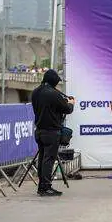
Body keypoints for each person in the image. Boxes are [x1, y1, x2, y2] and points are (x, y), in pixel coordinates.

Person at [31, 69, 75, 197]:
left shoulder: (36, 92)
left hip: (39, 130)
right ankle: (46, 187)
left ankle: (41, 186)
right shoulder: (53, 94)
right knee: (48, 160)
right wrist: (71, 103)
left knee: (42, 159)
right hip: (51, 132)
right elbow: (67, 109)